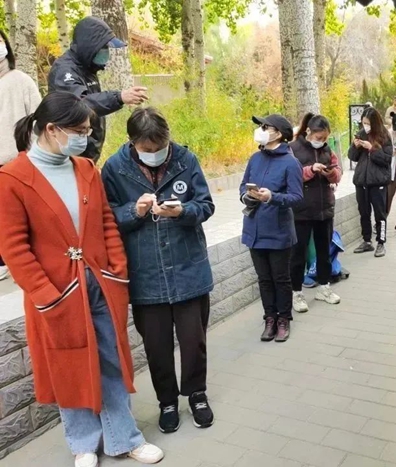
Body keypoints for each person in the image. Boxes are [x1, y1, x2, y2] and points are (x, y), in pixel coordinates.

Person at [0, 92, 163, 467]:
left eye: (88, 130)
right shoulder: (12, 179)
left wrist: (116, 269)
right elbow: (13, 247)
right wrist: (46, 294)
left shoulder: (86, 169)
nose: (86, 138)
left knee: (112, 360)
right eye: (79, 131)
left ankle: (125, 439)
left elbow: (106, 221)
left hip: (101, 282)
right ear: (52, 129)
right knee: (69, 367)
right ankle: (84, 443)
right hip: (56, 293)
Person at [101, 107, 216, 434]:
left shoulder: (185, 160)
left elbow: (206, 205)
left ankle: (197, 394)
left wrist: (183, 211)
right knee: (156, 347)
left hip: (188, 269)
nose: (154, 153)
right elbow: (106, 217)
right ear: (132, 142)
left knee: (194, 341)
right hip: (146, 275)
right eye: (147, 148)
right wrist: (133, 211)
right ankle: (167, 401)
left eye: (160, 147)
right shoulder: (114, 168)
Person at [48, 16, 149, 162]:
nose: (107, 52)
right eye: (104, 48)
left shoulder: (87, 68)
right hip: (69, 154)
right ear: (90, 46)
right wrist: (119, 97)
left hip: (86, 155)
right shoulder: (65, 71)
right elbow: (80, 104)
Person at [240, 114, 302, 342]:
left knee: (280, 278)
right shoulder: (255, 158)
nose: (262, 130)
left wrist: (272, 197)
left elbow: (296, 197)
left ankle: (284, 319)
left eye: (267, 127)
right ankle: (270, 318)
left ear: (280, 133)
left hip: (278, 231)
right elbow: (242, 186)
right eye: (262, 127)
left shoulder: (290, 163)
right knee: (264, 278)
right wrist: (247, 196)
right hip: (254, 229)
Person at [289, 113, 342, 313]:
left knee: (324, 251)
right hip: (301, 209)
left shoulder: (328, 150)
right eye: (319, 137)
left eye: (325, 138)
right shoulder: (293, 149)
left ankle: (324, 287)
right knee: (298, 254)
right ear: (309, 132)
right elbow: (291, 176)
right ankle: (296, 292)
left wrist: (331, 173)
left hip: (324, 209)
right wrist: (311, 169)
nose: (322, 141)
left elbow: (338, 173)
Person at [0, 29, 41, 281]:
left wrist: (35, 157)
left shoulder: (21, 81)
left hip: (19, 162)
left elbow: (39, 121)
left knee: (24, 218)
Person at [349, 107, 393, 258]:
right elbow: (352, 157)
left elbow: (387, 159)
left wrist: (372, 149)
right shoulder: (361, 134)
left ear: (374, 122)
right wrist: (355, 147)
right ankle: (366, 240)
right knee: (364, 212)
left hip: (378, 181)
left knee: (380, 214)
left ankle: (381, 242)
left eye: (368, 123)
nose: (366, 126)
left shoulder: (384, 136)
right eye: (364, 123)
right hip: (361, 181)